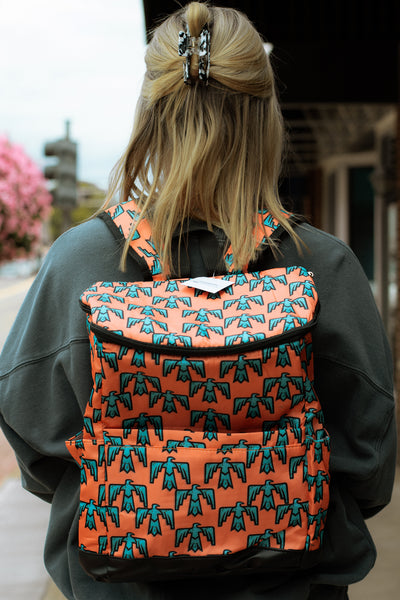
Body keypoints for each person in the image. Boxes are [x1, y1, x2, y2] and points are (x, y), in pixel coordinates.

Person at [0, 2, 396, 599]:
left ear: (148, 114)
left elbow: (32, 436)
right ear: (266, 118)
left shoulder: (77, 264)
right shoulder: (323, 267)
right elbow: (370, 465)